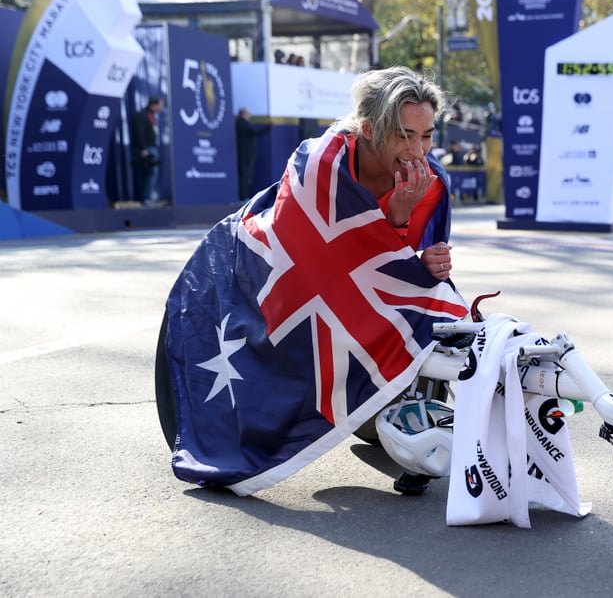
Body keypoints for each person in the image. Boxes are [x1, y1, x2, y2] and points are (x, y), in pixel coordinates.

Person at [159, 66, 468, 498]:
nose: (417, 150)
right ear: (368, 129)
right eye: (404, 136)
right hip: (283, 299)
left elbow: (405, 274)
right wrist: (395, 214)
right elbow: (314, 263)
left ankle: (419, 421)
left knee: (446, 314)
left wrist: (428, 259)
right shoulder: (319, 164)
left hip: (362, 315)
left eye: (427, 135)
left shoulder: (432, 182)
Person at [132, 96, 163, 206]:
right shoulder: (142, 116)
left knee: (152, 173)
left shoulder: (151, 116)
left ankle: (148, 198)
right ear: (154, 105)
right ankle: (146, 199)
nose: (161, 108)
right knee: (148, 173)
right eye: (160, 105)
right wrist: (143, 148)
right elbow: (138, 133)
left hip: (152, 148)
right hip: (146, 149)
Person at [234, 107, 270, 200]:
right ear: (243, 114)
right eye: (248, 113)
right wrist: (268, 127)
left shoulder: (242, 124)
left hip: (247, 155)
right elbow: (256, 132)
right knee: (245, 177)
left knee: (247, 177)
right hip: (245, 155)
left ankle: (244, 196)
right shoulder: (242, 124)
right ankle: (243, 197)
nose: (249, 115)